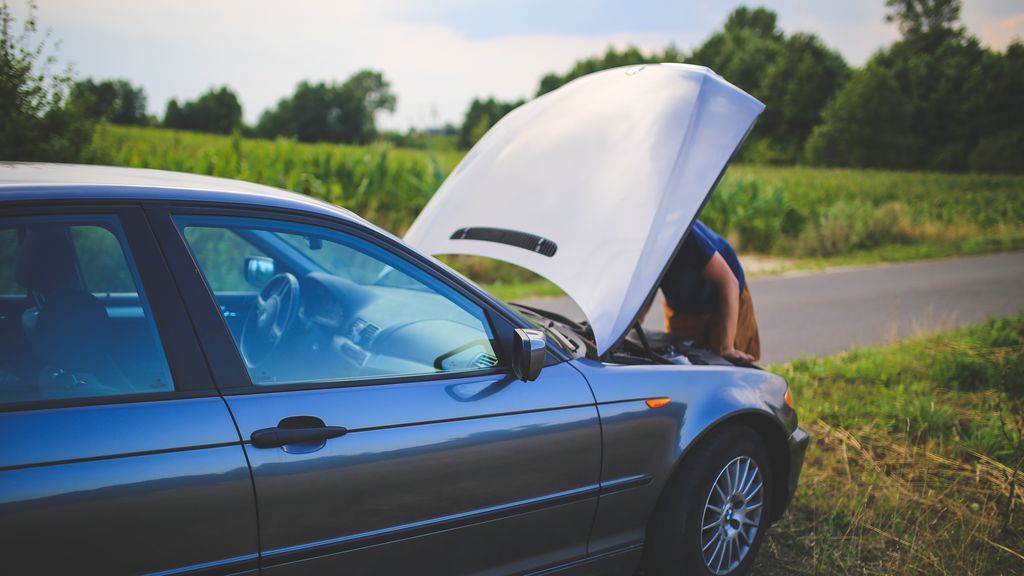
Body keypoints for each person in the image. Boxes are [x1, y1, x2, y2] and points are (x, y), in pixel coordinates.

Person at [659, 220, 760, 363]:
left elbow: (729, 283)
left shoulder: (682, 234)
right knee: (681, 362)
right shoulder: (633, 245)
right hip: (682, 303)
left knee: (728, 363)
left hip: (725, 295)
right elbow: (644, 288)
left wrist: (727, 347)